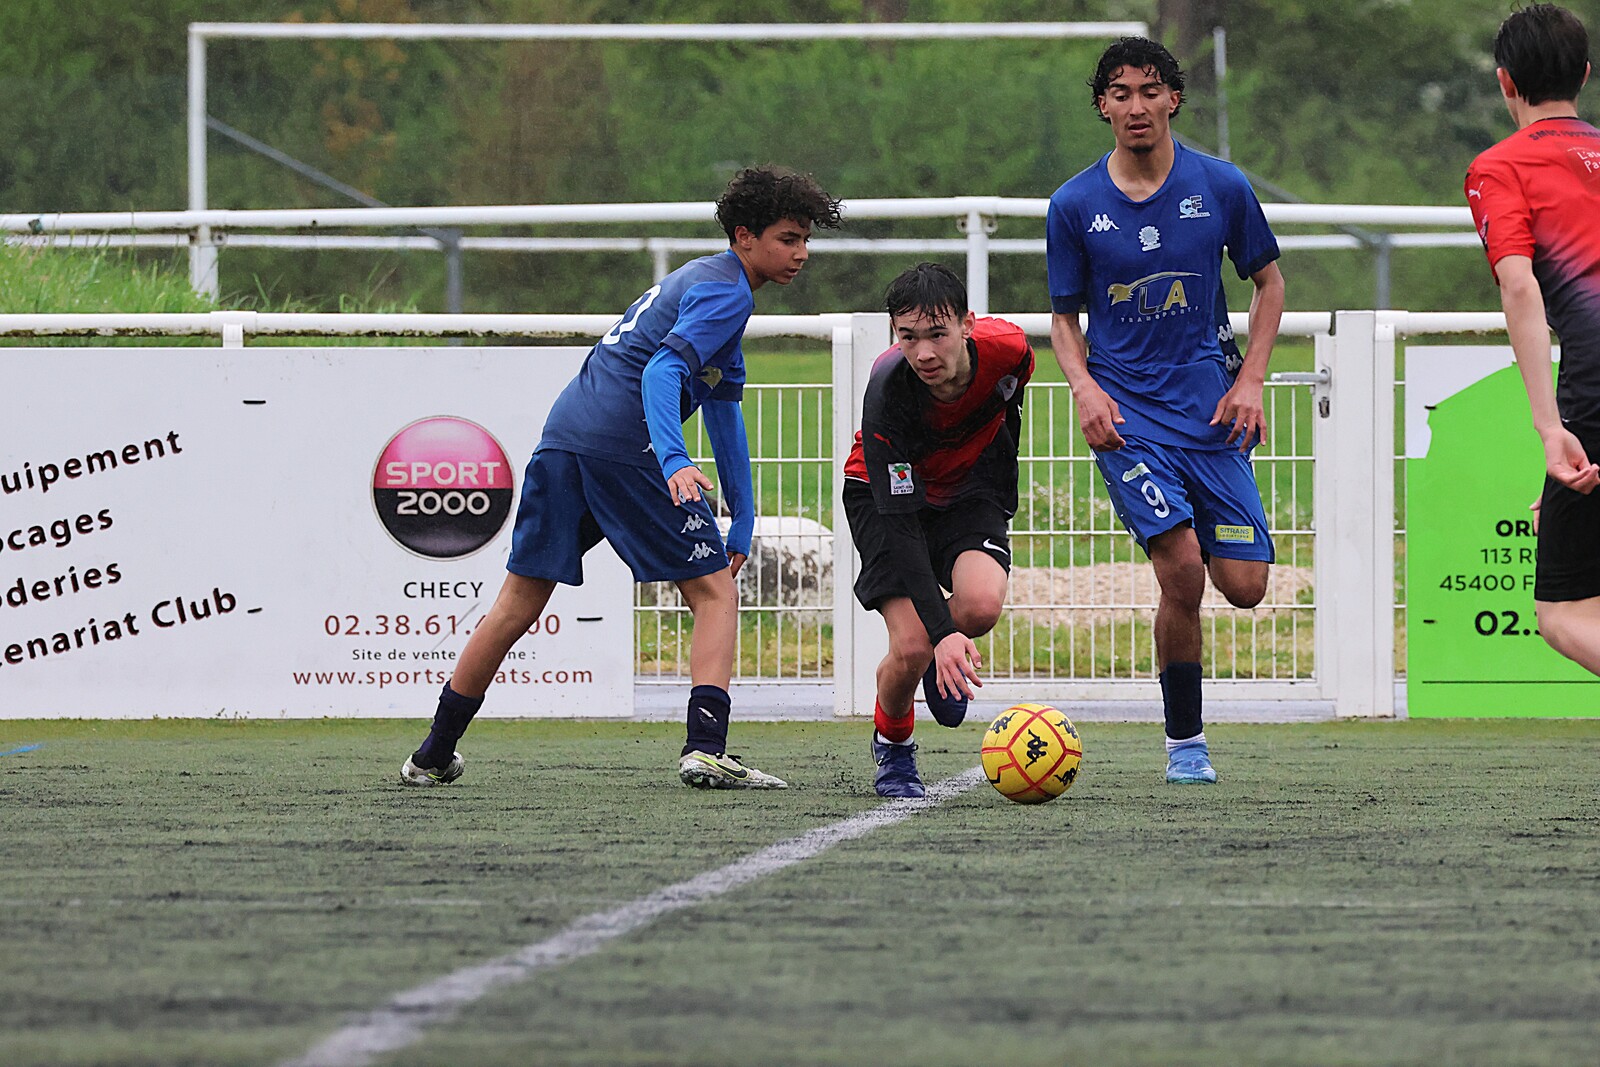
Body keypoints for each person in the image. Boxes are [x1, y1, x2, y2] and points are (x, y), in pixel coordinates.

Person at [401, 164, 843, 789]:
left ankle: (432, 754)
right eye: (788, 238)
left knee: (517, 602)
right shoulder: (728, 294)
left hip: (564, 438)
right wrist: (673, 459)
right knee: (715, 593)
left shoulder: (703, 283)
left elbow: (722, 409)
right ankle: (706, 748)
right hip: (624, 445)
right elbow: (661, 373)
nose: (801, 254)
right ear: (744, 236)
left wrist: (742, 519)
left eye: (805, 240)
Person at [1045, 36, 1285, 784]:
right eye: (1120, 93)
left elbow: (1270, 285)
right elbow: (1063, 320)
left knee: (1243, 587)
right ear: (1102, 106)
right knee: (1181, 572)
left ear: (1173, 99)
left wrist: (1250, 380)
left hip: (1212, 415)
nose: (1136, 106)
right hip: (1129, 421)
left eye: (1150, 91)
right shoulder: (1075, 204)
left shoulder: (1222, 185)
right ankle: (1187, 745)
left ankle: (1198, 521)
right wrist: (1086, 390)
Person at [843, 262, 1035, 797]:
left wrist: (999, 488)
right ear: (894, 333)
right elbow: (902, 523)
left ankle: (936, 650)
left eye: (937, 334)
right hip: (883, 498)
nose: (924, 352)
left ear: (967, 324)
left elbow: (1008, 407)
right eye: (908, 337)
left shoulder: (1011, 350)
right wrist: (941, 633)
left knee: (981, 605)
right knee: (911, 646)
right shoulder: (888, 392)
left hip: (968, 489)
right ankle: (894, 748)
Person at [1466, 4, 1600, 673]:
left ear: (1505, 82)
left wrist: (1551, 430)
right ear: (1584, 73)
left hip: (1593, 386)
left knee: (1566, 614)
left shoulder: (1500, 167)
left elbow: (1519, 287)